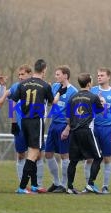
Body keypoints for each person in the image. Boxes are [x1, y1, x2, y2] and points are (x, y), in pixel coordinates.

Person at [10, 59, 54, 194]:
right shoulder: (45, 85)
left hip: (24, 121)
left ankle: (34, 184)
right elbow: (52, 103)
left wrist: (12, 122)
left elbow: (12, 101)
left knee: (34, 153)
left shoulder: (22, 84)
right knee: (34, 153)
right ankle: (22, 187)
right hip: (36, 121)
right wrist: (58, 93)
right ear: (44, 69)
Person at [84, 67, 111, 194]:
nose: (99, 77)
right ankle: (88, 185)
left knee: (107, 158)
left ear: (108, 77)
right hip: (93, 128)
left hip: (107, 129)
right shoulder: (92, 90)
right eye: (98, 75)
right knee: (90, 157)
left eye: (102, 75)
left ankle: (105, 186)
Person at [64, 73, 104, 194]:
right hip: (87, 130)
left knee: (73, 160)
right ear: (89, 84)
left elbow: (68, 118)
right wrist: (101, 101)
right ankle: (90, 184)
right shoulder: (93, 97)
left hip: (74, 131)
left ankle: (69, 187)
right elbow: (100, 110)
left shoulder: (72, 97)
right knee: (98, 157)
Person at [0, 64, 31, 191]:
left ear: (30, 74)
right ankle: (23, 184)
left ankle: (36, 184)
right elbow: (4, 100)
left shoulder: (36, 86)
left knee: (37, 155)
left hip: (34, 126)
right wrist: (13, 122)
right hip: (20, 127)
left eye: (23, 74)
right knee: (21, 154)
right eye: (19, 75)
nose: (21, 77)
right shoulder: (16, 87)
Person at [45, 65, 78, 193]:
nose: (56, 76)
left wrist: (68, 128)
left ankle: (64, 185)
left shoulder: (73, 91)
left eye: (58, 74)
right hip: (53, 124)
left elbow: (74, 113)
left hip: (64, 125)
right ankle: (56, 182)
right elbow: (50, 102)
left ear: (65, 75)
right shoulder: (54, 87)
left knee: (64, 155)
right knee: (48, 154)